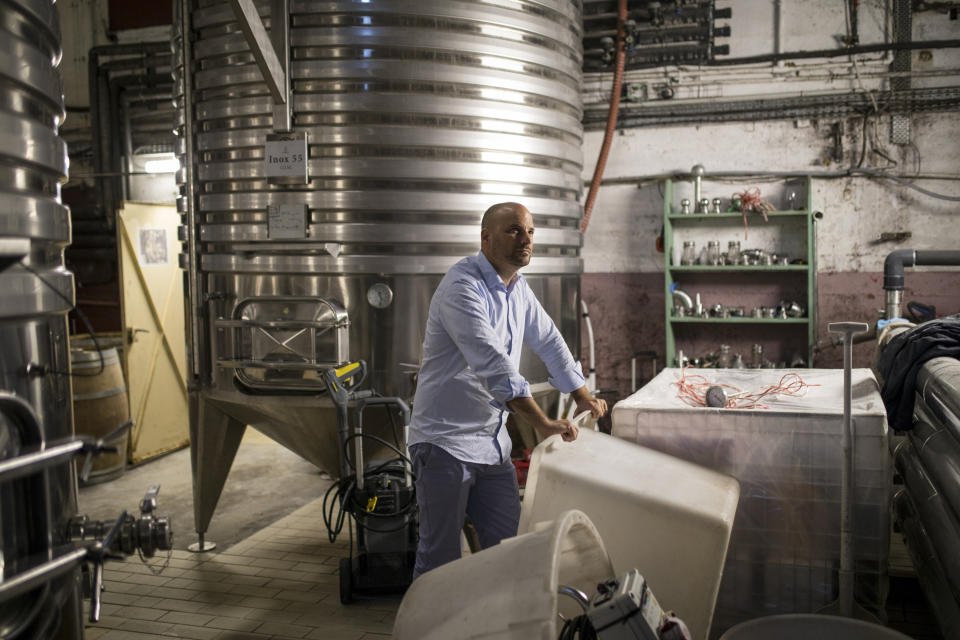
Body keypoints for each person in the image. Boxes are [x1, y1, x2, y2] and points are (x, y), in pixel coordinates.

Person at [407, 201, 608, 579]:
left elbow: (549, 340)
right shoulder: (462, 287)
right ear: (486, 238)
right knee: (440, 561)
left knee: (511, 549)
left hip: (491, 444)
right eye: (514, 230)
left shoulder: (518, 290)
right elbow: (495, 366)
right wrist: (545, 423)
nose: (525, 239)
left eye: (530, 232)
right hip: (444, 444)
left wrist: (582, 394)